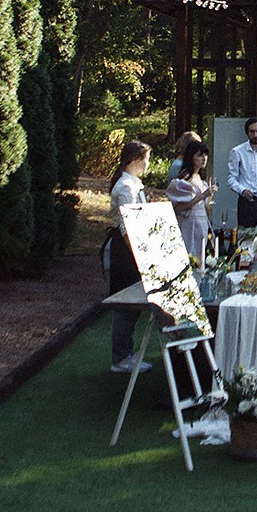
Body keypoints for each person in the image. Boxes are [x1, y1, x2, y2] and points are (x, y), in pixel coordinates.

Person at [104, 140, 151, 373]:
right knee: (125, 304)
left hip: (134, 248)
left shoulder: (134, 184)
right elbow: (127, 228)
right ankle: (120, 358)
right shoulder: (125, 187)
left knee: (133, 306)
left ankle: (127, 353)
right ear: (134, 160)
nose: (148, 164)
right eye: (146, 159)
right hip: (125, 252)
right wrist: (138, 255)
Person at [165, 140, 215, 261]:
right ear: (191, 157)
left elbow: (205, 204)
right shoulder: (186, 177)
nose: (204, 158)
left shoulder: (200, 178)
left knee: (203, 255)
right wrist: (202, 195)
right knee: (190, 255)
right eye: (200, 155)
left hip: (202, 222)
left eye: (205, 155)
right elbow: (178, 207)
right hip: (190, 222)